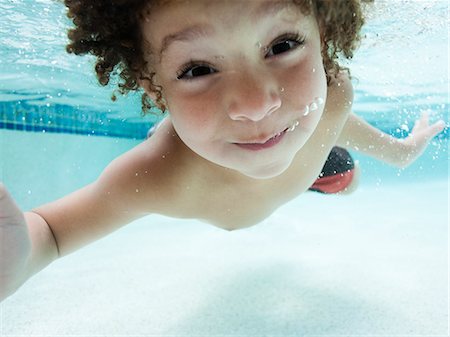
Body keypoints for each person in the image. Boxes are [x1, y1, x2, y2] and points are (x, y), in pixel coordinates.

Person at [0, 0, 445, 302]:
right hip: (285, 144)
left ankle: (319, 174)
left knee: (345, 182)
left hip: (307, 151)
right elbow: (52, 233)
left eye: (282, 45)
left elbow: (339, 124)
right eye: (197, 69)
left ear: (324, 41)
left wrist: (403, 152)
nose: (255, 106)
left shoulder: (332, 97)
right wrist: (17, 260)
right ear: (155, 91)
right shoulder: (159, 174)